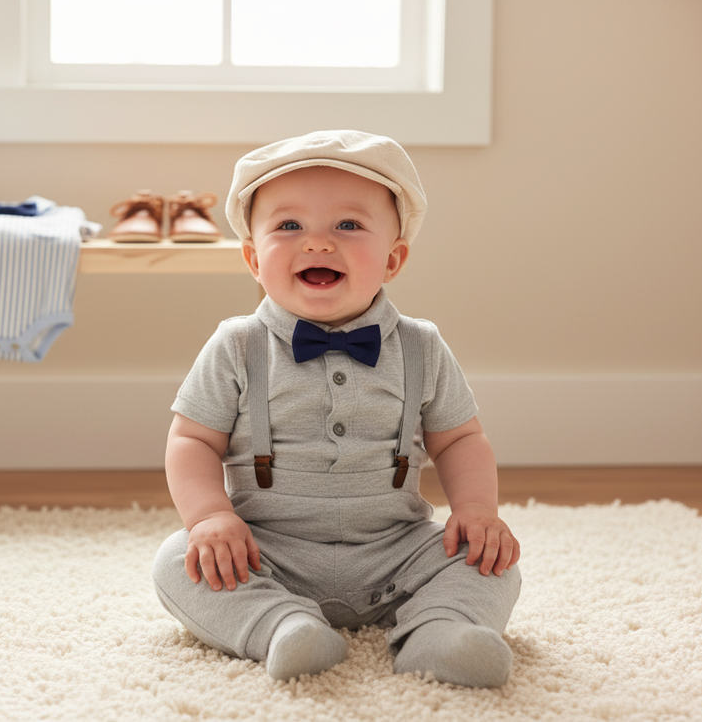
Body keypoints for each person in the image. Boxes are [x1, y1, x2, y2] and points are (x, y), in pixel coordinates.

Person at [152, 130, 521, 686]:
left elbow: (460, 439)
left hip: (395, 552)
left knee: (494, 560)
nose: (318, 243)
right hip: (269, 552)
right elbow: (191, 441)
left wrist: (477, 510)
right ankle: (282, 626)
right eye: (289, 226)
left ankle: (439, 631)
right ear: (253, 259)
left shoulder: (421, 346)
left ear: (393, 258)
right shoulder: (237, 345)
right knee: (179, 560)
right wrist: (210, 517)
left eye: (348, 225)